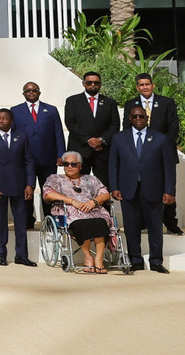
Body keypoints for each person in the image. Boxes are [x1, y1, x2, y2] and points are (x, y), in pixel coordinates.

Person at [108, 106, 176, 273]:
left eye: (142, 116)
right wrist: (114, 187)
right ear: (130, 119)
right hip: (127, 189)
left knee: (155, 226)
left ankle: (156, 261)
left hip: (154, 189)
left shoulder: (161, 139)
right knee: (131, 227)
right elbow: (113, 165)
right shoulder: (119, 138)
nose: (138, 119)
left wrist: (169, 191)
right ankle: (135, 260)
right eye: (135, 116)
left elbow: (169, 168)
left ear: (147, 118)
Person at [0, 108, 37, 266]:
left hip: (19, 185)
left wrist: (30, 184)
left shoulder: (21, 136)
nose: (1, 120)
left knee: (21, 222)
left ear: (11, 120)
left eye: (4, 118)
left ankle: (21, 255)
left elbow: (29, 161)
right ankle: (1, 254)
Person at [124, 73, 182, 234]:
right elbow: (127, 130)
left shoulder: (167, 103)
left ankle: (171, 223)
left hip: (163, 155)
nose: (145, 87)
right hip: (140, 156)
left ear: (153, 85)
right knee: (142, 189)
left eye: (147, 84)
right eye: (141, 85)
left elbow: (173, 128)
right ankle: (143, 223)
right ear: (137, 87)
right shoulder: (131, 104)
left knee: (167, 188)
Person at [43, 152, 115, 273]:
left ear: (80, 165)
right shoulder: (55, 179)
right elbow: (48, 194)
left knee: (101, 222)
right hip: (70, 212)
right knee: (81, 224)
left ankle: (98, 259)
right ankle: (88, 257)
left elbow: (106, 194)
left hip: (93, 210)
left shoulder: (90, 179)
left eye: (73, 164)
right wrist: (72, 201)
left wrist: (94, 202)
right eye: (66, 164)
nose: (69, 166)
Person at [9, 81, 66, 228]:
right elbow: (12, 134)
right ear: (23, 94)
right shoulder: (15, 110)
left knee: (48, 191)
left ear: (39, 92)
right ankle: (28, 220)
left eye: (34, 90)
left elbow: (58, 133)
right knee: (26, 191)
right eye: (28, 91)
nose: (31, 93)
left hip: (47, 157)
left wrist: (61, 154)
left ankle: (50, 221)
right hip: (24, 159)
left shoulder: (51, 110)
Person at [64, 71, 119, 184]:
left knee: (103, 184)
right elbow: (70, 123)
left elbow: (115, 125)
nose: (93, 85)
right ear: (84, 83)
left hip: (102, 151)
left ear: (100, 84)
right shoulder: (72, 101)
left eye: (96, 83)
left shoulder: (110, 102)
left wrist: (101, 140)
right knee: (78, 184)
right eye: (89, 82)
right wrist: (88, 140)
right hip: (80, 150)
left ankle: (102, 202)